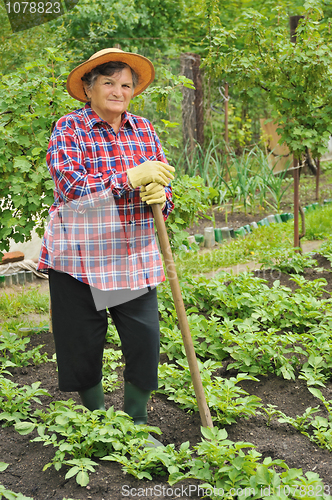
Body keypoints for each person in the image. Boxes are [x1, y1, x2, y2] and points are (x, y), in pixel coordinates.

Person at [37, 48, 175, 444]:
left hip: (128, 254)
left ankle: (136, 419)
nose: (119, 91)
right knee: (82, 341)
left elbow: (163, 184)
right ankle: (98, 419)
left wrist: (160, 196)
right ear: (88, 88)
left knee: (144, 338)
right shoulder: (70, 128)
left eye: (126, 85)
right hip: (78, 254)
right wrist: (129, 178)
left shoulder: (143, 129)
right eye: (109, 82)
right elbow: (71, 188)